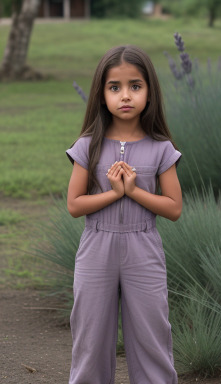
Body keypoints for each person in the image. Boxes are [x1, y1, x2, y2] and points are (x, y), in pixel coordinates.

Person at [66, 45, 182, 384]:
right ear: (102, 95)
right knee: (90, 336)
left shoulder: (161, 147)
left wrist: (133, 192)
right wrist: (113, 193)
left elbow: (173, 208)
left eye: (136, 86)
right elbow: (74, 205)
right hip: (96, 249)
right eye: (114, 87)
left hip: (143, 249)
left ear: (150, 92)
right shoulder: (88, 145)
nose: (125, 96)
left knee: (152, 334)